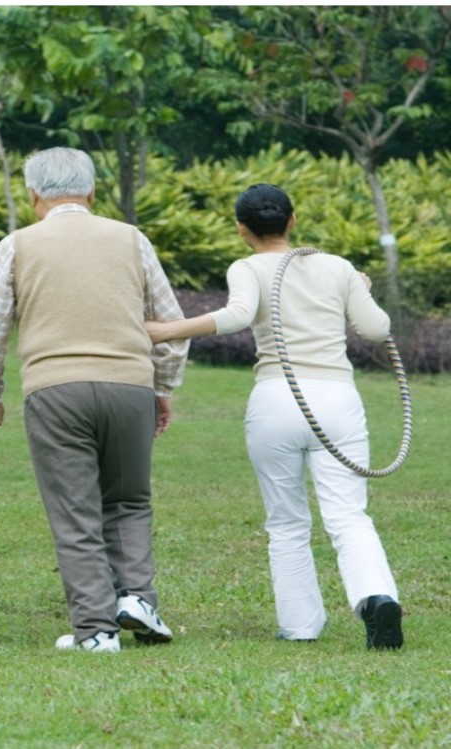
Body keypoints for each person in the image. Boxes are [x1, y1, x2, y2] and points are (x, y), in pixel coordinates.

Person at [146, 183, 403, 650]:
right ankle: (376, 597)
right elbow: (376, 329)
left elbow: (240, 314)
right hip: (336, 399)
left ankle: (301, 626)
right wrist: (357, 287)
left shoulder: (247, 266)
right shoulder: (337, 266)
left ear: (241, 228)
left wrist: (165, 330)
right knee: (348, 514)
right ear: (293, 220)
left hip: (275, 400)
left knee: (286, 521)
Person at [0, 147, 189, 654]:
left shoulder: (16, 246)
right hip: (130, 385)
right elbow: (172, 327)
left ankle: (96, 630)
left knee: (75, 510)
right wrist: (162, 387)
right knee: (130, 501)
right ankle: (137, 600)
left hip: (55, 388)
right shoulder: (132, 239)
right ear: (91, 191)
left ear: (32, 195)